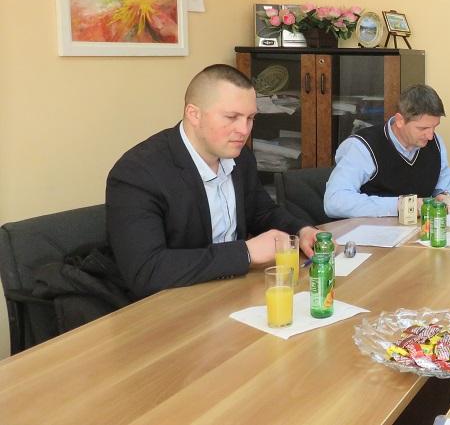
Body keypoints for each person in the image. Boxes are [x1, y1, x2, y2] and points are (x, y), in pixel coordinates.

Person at [106, 65, 320, 299]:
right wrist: (245, 253)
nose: (244, 130)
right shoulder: (137, 173)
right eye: (231, 117)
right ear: (194, 114)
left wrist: (301, 231)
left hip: (232, 292)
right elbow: (147, 271)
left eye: (250, 118)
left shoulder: (240, 156)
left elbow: (261, 212)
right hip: (172, 303)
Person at [323, 84, 450, 218]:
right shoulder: (362, 146)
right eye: (422, 128)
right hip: (370, 230)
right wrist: (402, 206)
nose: (430, 136)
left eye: (434, 127)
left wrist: (445, 197)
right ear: (400, 120)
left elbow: (449, 188)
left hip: (418, 230)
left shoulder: (436, 143)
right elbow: (334, 202)